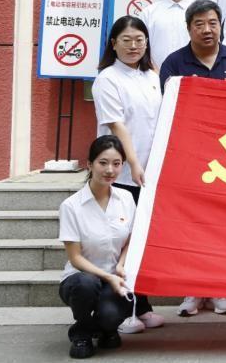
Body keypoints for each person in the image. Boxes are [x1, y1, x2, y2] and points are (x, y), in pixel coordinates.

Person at [157, 0, 226, 319]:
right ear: (188, 29)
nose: (207, 29)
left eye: (212, 23)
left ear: (221, 25)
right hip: (191, 158)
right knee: (192, 225)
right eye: (199, 24)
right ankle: (193, 290)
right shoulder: (174, 63)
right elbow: (168, 110)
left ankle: (219, 287)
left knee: (222, 226)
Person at [91, 16, 165, 334]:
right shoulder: (107, 79)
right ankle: (120, 312)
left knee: (141, 240)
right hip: (121, 174)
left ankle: (141, 306)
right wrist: (133, 164)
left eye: (139, 40)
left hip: (151, 171)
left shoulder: (151, 76)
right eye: (126, 40)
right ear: (113, 44)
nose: (133, 46)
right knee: (121, 242)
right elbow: (117, 126)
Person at [57, 135, 137, 359]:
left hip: (116, 279)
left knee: (111, 316)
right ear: (90, 164)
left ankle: (105, 328)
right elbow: (75, 258)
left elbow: (131, 240)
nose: (110, 170)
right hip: (80, 279)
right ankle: (82, 332)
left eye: (116, 163)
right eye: (103, 163)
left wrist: (120, 265)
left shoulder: (126, 198)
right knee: (86, 283)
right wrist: (108, 277)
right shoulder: (71, 206)